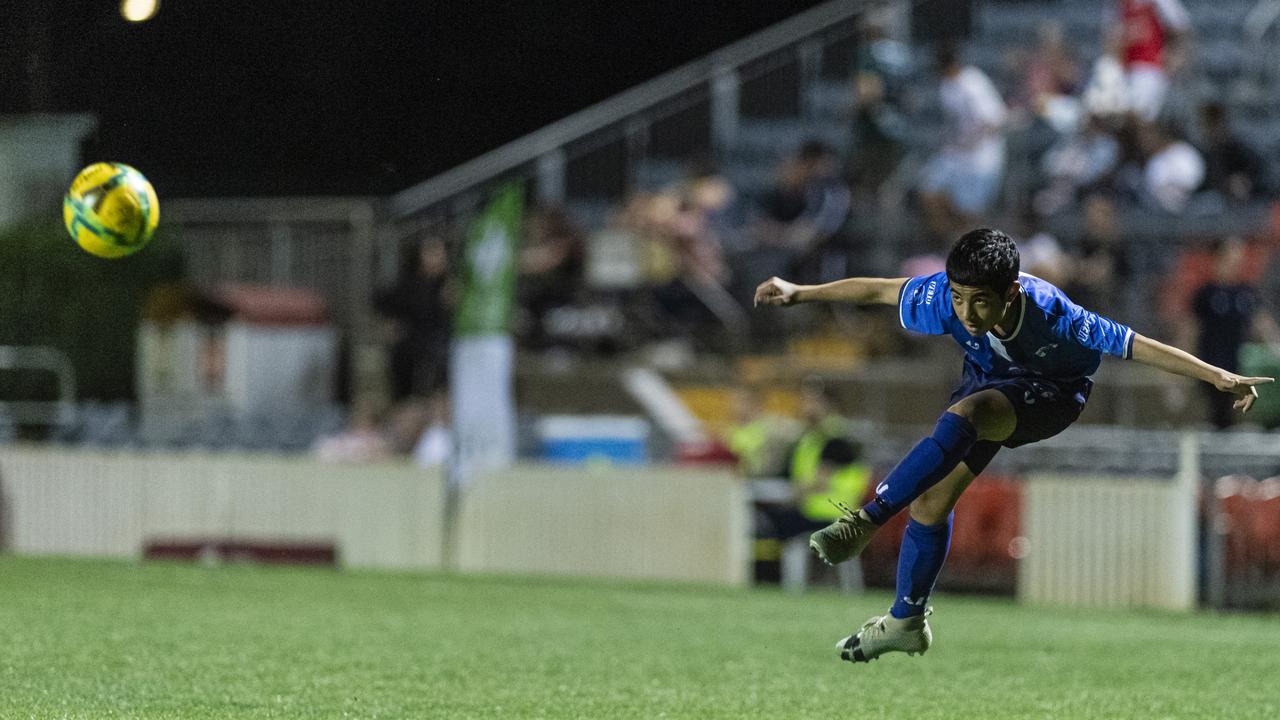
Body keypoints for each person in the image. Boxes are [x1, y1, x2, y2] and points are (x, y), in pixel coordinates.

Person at [754, 227, 1272, 663]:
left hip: (1051, 397)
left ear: (1011, 294)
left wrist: (1218, 376)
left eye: (981, 300)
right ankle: (905, 621)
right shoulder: (949, 299)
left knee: (970, 414)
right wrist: (799, 291)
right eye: (959, 298)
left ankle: (866, 520)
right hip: (987, 383)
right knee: (931, 504)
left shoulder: (1055, 313)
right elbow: (880, 291)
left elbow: (1136, 345)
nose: (967, 312)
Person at [1185, 237, 1280, 429]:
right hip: (1211, 365)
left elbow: (1261, 324)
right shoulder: (1206, 293)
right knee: (1216, 416)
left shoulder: (1245, 292)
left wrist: (1276, 348)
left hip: (1240, 366)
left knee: (1237, 416)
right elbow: (1190, 331)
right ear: (1218, 258)